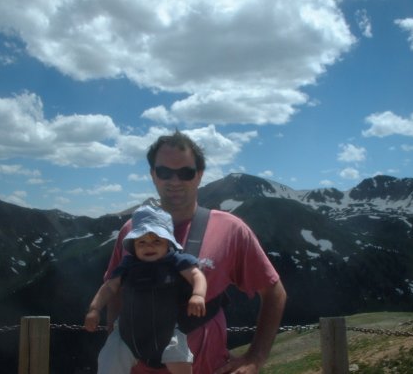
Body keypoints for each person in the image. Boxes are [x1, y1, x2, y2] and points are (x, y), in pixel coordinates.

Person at [101, 130, 287, 374]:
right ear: (153, 176)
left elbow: (274, 292)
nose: (174, 180)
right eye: (164, 172)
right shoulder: (131, 231)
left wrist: (255, 358)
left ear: (199, 176)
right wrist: (118, 337)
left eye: (186, 173)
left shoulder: (231, 230)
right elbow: (115, 290)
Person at [85, 205, 207, 374]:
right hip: (126, 332)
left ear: (168, 243)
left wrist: (198, 295)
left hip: (168, 330)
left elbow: (196, 275)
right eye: (141, 242)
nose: (149, 246)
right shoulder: (127, 264)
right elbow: (109, 286)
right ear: (133, 245)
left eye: (156, 241)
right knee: (109, 360)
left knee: (180, 358)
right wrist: (94, 309)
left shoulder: (176, 261)